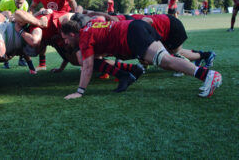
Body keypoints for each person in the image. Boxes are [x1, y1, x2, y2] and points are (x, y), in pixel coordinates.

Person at [60, 19, 222, 99]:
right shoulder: (90, 25)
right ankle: (205, 75)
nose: (65, 42)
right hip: (136, 27)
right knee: (165, 62)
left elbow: (87, 66)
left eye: (65, 39)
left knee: (166, 61)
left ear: (73, 34)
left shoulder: (84, 38)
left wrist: (79, 92)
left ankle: (208, 75)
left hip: (132, 34)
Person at [28, 0, 77, 70]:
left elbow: (72, 2)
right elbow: (32, 6)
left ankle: (84, 60)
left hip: (64, 19)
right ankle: (42, 64)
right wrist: (29, 16)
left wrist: (76, 16)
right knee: (43, 37)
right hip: (51, 19)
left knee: (68, 43)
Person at [0, 0, 30, 68]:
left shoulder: (25, 5)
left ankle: (21, 60)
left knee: (22, 38)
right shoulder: (5, 2)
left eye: (21, 3)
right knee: (6, 40)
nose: (19, 5)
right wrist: (7, 19)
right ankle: (5, 62)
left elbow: (23, 19)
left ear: (24, 0)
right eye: (17, 2)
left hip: (16, 21)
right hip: (4, 21)